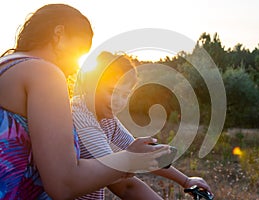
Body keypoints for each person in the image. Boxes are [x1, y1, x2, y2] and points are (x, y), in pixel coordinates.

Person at [0, 4, 170, 199]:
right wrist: (129, 159)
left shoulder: (8, 67)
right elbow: (63, 183)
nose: (74, 68)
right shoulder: (45, 73)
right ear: (58, 34)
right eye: (79, 51)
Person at [72, 51, 212, 199]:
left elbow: (140, 154)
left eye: (125, 95)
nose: (117, 101)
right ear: (91, 85)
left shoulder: (107, 119)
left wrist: (186, 180)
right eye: (112, 92)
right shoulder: (80, 116)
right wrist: (135, 158)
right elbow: (121, 178)